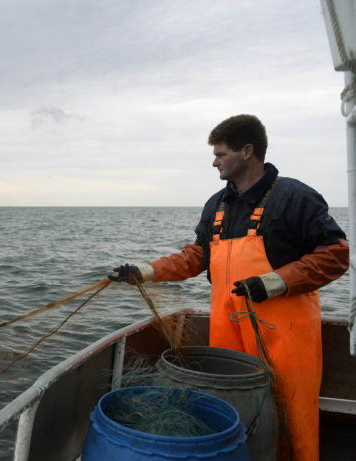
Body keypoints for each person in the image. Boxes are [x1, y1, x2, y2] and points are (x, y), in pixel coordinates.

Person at [110, 114, 349, 461]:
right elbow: (196, 257)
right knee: (230, 409)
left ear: (247, 151)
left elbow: (336, 254)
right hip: (228, 329)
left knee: (292, 412)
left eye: (221, 154)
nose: (214, 161)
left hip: (286, 331)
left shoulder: (294, 196)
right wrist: (144, 271)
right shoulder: (216, 205)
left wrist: (274, 282)